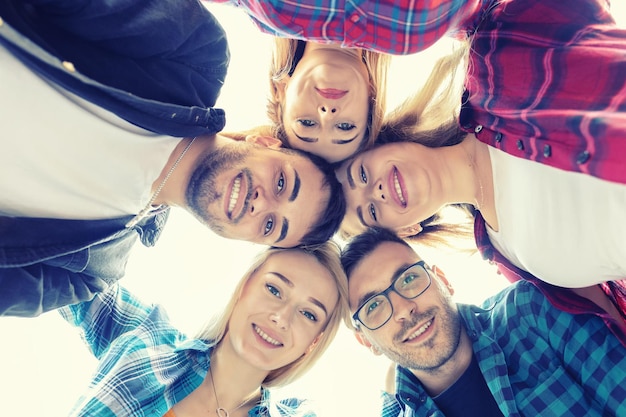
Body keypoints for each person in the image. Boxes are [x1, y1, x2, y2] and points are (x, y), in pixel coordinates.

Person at [0, 0, 346, 317]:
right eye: (283, 183)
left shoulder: (90, 271)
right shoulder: (194, 55)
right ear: (266, 141)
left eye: (270, 226)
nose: (262, 203)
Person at [341, 227, 626, 416]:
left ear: (442, 280)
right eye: (374, 305)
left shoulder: (530, 312)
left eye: (409, 278)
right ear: (365, 340)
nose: (403, 308)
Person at [59, 242, 348, 417]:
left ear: (314, 342)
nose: (282, 318)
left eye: (308, 314)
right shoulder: (147, 337)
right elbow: (68, 259)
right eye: (274, 289)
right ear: (244, 287)